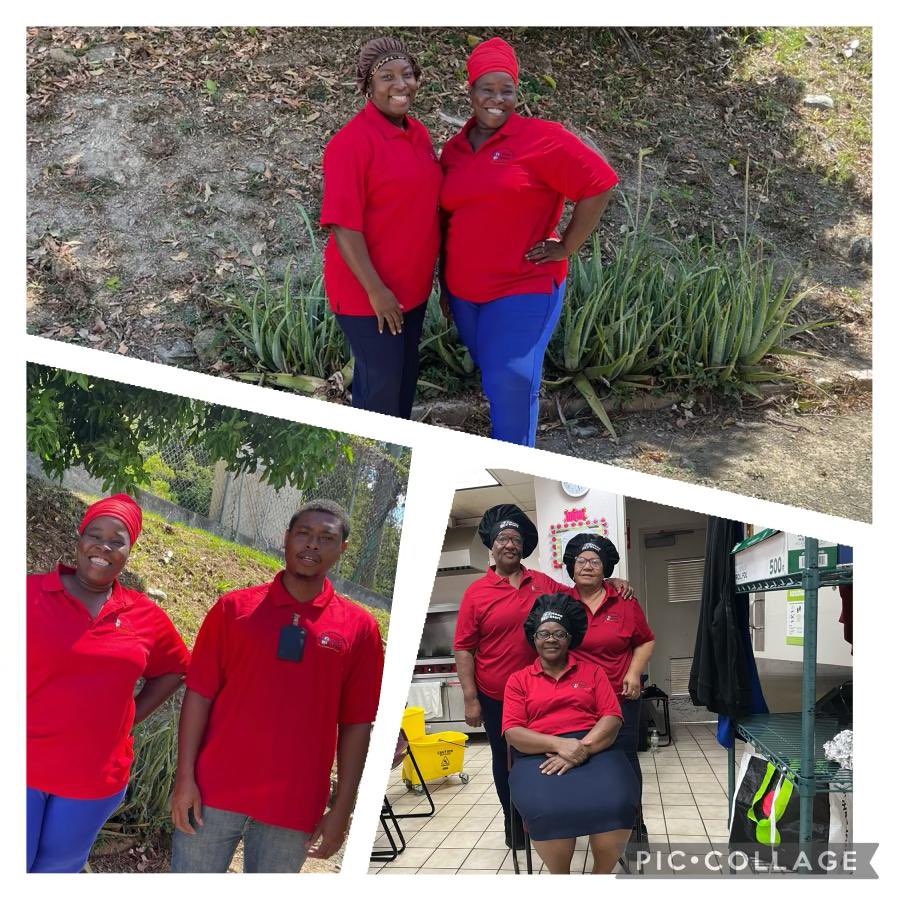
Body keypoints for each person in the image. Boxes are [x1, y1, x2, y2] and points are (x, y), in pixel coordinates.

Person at [170, 500, 384, 873]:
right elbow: (199, 695)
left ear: (342, 549)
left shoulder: (359, 629)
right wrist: (184, 777)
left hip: (294, 806)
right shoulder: (233, 610)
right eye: (303, 534)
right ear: (286, 538)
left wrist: (343, 808)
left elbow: (357, 724)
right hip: (213, 793)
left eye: (325, 538)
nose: (312, 545)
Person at [439, 36, 619, 446]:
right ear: (470, 91)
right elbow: (446, 219)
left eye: (507, 90)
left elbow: (599, 183)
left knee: (514, 378)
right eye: (487, 88)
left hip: (524, 283)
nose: (497, 99)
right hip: (466, 291)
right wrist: (443, 283)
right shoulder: (453, 151)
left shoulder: (541, 139)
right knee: (493, 371)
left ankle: (515, 459)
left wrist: (568, 244)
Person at [27, 494, 190, 873]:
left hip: (94, 776)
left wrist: (128, 718)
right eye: (94, 535)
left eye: (117, 540)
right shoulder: (28, 593)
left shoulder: (144, 616)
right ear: (79, 539)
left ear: (129, 551)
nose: (103, 546)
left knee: (57, 870)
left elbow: (176, 669)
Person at [453, 503, 632, 847]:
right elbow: (464, 647)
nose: (509, 544)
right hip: (496, 694)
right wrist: (471, 699)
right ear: (492, 545)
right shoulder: (476, 593)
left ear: (524, 546)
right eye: (503, 538)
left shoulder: (543, 583)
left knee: (546, 755)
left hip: (541, 691)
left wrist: (609, 581)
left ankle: (555, 816)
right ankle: (516, 826)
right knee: (504, 761)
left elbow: (581, 594)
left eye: (516, 539)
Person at [320, 36, 441, 418]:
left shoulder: (417, 133)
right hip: (368, 296)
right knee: (380, 394)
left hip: (412, 291)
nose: (400, 84)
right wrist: (376, 290)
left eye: (407, 74)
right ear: (368, 85)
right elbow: (343, 225)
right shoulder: (351, 143)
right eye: (386, 76)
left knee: (402, 384)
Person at [504, 593, 638, 874]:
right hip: (538, 754)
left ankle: (600, 876)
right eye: (543, 633)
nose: (551, 639)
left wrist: (582, 750)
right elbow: (514, 732)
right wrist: (560, 745)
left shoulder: (593, 672)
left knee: (618, 802)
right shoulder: (518, 680)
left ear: (570, 638)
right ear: (534, 638)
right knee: (548, 809)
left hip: (595, 746)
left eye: (559, 633)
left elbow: (612, 718)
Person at [563, 532, 655, 844]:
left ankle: (633, 825)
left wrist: (634, 673)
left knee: (624, 761)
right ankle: (596, 823)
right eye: (581, 560)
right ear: (571, 567)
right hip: (577, 700)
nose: (587, 566)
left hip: (621, 697)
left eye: (595, 561)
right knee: (584, 759)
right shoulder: (562, 602)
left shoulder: (624, 601)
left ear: (607, 569)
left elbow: (645, 640)